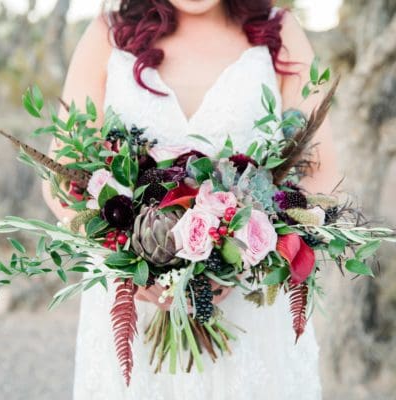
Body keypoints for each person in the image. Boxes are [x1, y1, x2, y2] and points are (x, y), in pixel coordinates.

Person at [42, 1, 341, 399]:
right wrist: (130, 259)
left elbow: (320, 172)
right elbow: (62, 177)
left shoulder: (279, 32)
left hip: (250, 312)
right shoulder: (107, 34)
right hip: (134, 315)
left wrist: (248, 255)